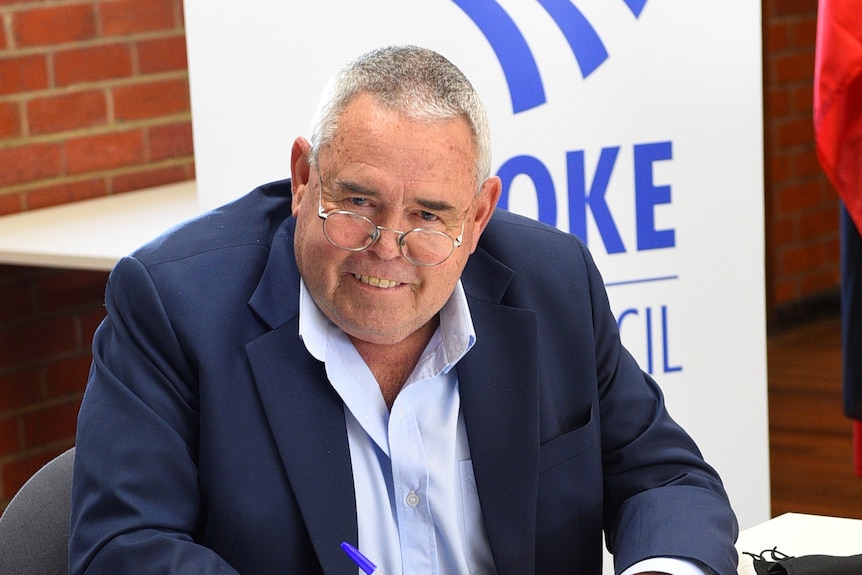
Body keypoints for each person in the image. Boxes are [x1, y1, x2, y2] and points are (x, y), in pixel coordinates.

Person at [69, 45, 738, 575]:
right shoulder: (173, 303)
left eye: (428, 215)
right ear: (304, 179)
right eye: (357, 202)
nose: (386, 248)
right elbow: (124, 547)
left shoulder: (553, 283)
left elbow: (668, 478)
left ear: (477, 215)